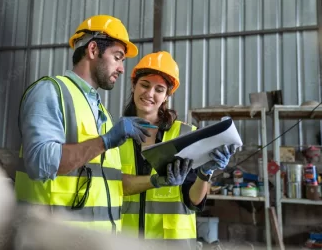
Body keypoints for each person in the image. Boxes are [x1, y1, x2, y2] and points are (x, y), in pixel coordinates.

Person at [14, 14, 153, 234]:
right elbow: (39, 162)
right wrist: (105, 141)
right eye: (117, 57)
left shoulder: (102, 113)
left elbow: (110, 182)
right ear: (93, 50)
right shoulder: (51, 92)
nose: (122, 69)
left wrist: (158, 180)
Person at [119, 51, 236, 249]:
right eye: (145, 85)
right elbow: (113, 185)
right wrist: (157, 180)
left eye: (159, 89)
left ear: (166, 96)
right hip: (125, 242)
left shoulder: (184, 134)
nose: (149, 94)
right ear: (134, 86)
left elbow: (194, 200)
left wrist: (205, 172)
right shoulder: (116, 134)